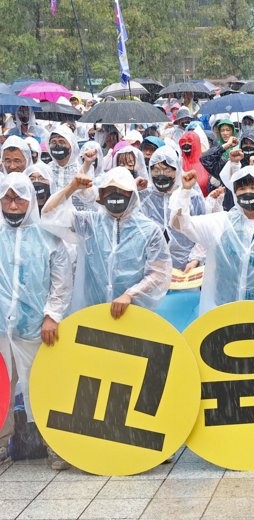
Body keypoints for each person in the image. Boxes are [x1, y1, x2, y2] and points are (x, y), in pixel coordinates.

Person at [0, 173, 72, 470]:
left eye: (19, 198)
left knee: (41, 387)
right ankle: (3, 443)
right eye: (7, 198)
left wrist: (52, 316)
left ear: (31, 200)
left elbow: (61, 282)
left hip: (36, 329)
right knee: (2, 386)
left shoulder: (48, 235)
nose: (13, 205)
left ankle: (55, 445)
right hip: (3, 329)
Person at [171, 166, 254, 316]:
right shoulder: (221, 223)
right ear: (235, 193)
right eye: (242, 188)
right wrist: (184, 191)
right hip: (224, 310)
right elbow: (180, 224)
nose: (248, 192)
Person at [42, 167, 171, 316]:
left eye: (122, 190)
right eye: (109, 190)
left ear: (132, 194)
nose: (115, 195)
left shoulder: (149, 230)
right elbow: (49, 215)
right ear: (101, 195)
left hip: (133, 313)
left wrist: (130, 295)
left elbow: (159, 272)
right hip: (94, 311)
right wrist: (72, 187)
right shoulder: (89, 223)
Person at [141, 146, 207, 271]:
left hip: (186, 269)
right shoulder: (145, 197)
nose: (161, 175)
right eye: (156, 170)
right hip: (153, 269)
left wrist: (195, 259)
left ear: (176, 170)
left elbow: (203, 233)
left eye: (167, 170)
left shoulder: (192, 197)